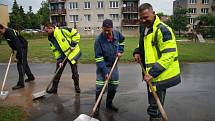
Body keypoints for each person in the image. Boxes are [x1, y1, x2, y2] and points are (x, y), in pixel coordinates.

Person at [133, 3, 181, 121]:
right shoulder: (144, 27)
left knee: (155, 107)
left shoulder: (163, 30)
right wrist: (137, 52)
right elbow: (142, 44)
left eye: (146, 17)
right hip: (150, 75)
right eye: (141, 18)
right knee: (153, 104)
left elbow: (169, 54)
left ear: (153, 13)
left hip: (160, 75)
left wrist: (153, 73)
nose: (143, 20)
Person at [94, 19, 125, 115]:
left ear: (112, 28)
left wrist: (120, 51)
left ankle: (109, 104)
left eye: (108, 30)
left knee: (114, 85)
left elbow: (122, 40)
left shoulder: (117, 34)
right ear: (102, 28)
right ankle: (97, 108)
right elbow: (98, 58)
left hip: (113, 65)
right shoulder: (98, 40)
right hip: (103, 66)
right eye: (105, 30)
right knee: (99, 87)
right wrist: (105, 72)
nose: (107, 32)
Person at [43, 23, 81, 94]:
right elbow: (55, 50)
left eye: (47, 31)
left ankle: (77, 86)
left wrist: (73, 45)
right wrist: (59, 60)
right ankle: (54, 88)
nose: (46, 33)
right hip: (62, 56)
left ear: (51, 28)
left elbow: (76, 34)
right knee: (57, 72)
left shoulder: (63, 30)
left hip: (71, 54)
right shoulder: (50, 38)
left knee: (74, 72)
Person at [0, 24, 35, 90]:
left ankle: (21, 83)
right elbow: (11, 42)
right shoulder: (5, 33)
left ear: (2, 28)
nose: (0, 33)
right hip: (20, 46)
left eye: (0, 31)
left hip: (22, 47)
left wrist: (17, 57)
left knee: (20, 64)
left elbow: (19, 46)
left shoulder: (10, 33)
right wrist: (13, 49)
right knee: (24, 63)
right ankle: (30, 77)